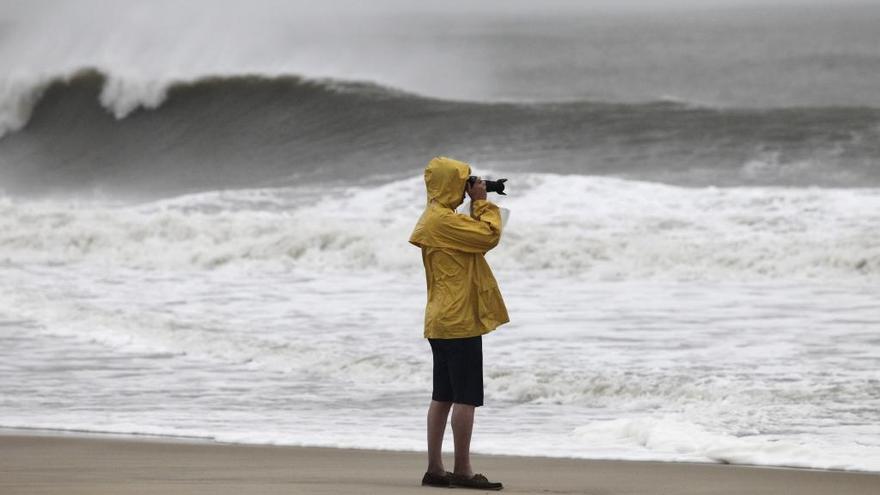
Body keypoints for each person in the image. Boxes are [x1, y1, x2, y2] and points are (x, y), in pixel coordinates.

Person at [409, 156, 509, 490]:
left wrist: (475, 202)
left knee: (443, 395)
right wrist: (481, 203)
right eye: (463, 180)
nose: (468, 186)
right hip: (459, 319)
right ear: (452, 184)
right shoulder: (444, 222)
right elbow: (488, 236)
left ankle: (435, 469)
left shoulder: (436, 218)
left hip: (442, 318)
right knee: (465, 397)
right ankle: (462, 470)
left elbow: (473, 239)